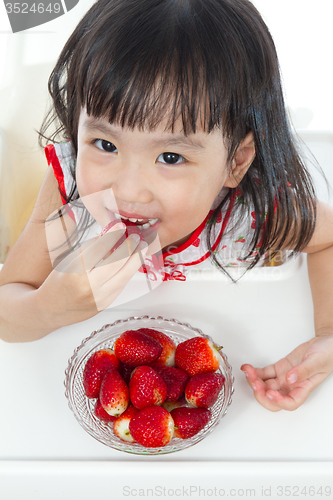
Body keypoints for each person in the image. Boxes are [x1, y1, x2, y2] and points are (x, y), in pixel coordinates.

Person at [0, 0, 333, 412]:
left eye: (171, 158)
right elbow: (7, 306)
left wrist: (327, 334)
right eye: (105, 145)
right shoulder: (70, 192)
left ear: (236, 162)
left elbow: (328, 240)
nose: (129, 191)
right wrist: (47, 309)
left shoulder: (250, 217)